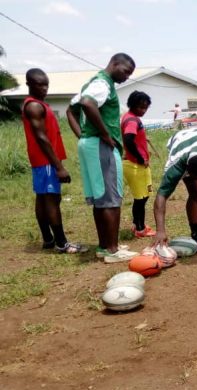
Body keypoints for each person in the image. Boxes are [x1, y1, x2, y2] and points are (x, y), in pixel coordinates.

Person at [66, 53, 139, 263]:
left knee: (100, 199)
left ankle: (104, 245)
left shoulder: (92, 83)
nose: (126, 77)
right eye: (125, 71)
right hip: (100, 146)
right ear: (114, 64)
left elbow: (71, 109)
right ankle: (113, 250)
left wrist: (83, 135)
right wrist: (105, 135)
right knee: (111, 198)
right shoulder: (102, 83)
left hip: (90, 144)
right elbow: (87, 104)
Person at [22, 68, 86, 254]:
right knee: (52, 199)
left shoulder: (38, 104)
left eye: (46, 84)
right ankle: (61, 243)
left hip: (41, 161)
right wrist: (59, 167)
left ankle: (48, 239)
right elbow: (41, 137)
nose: (44, 88)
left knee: (42, 198)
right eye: (39, 85)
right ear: (29, 85)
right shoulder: (34, 106)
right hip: (46, 161)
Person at [121, 91, 156, 238]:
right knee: (140, 199)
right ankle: (140, 229)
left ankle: (138, 224)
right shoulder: (132, 121)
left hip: (135, 164)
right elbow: (129, 139)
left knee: (143, 196)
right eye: (140, 107)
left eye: (145, 107)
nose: (142, 110)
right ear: (132, 105)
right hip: (135, 165)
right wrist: (141, 158)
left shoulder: (129, 117)